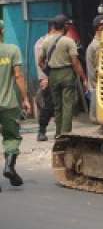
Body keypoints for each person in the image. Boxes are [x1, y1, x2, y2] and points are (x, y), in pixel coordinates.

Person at [38, 14, 88, 138]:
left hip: (53, 75)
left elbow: (40, 61)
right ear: (64, 26)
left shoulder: (46, 41)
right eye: (67, 25)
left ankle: (58, 133)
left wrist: (48, 73)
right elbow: (75, 62)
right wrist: (83, 78)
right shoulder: (68, 41)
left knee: (57, 106)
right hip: (67, 74)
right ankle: (65, 133)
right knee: (67, 105)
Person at [0, 20, 31, 190]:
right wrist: (25, 98)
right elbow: (18, 76)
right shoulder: (12, 50)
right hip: (9, 104)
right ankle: (9, 166)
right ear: (2, 31)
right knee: (11, 137)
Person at [33, 21, 57, 141]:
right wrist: (44, 78)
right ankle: (41, 131)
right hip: (47, 79)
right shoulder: (42, 43)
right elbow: (40, 62)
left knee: (59, 106)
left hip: (57, 78)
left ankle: (59, 131)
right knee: (47, 106)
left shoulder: (57, 41)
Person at [85, 15, 103, 122]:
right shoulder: (94, 46)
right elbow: (91, 70)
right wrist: (94, 85)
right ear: (98, 29)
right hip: (99, 82)